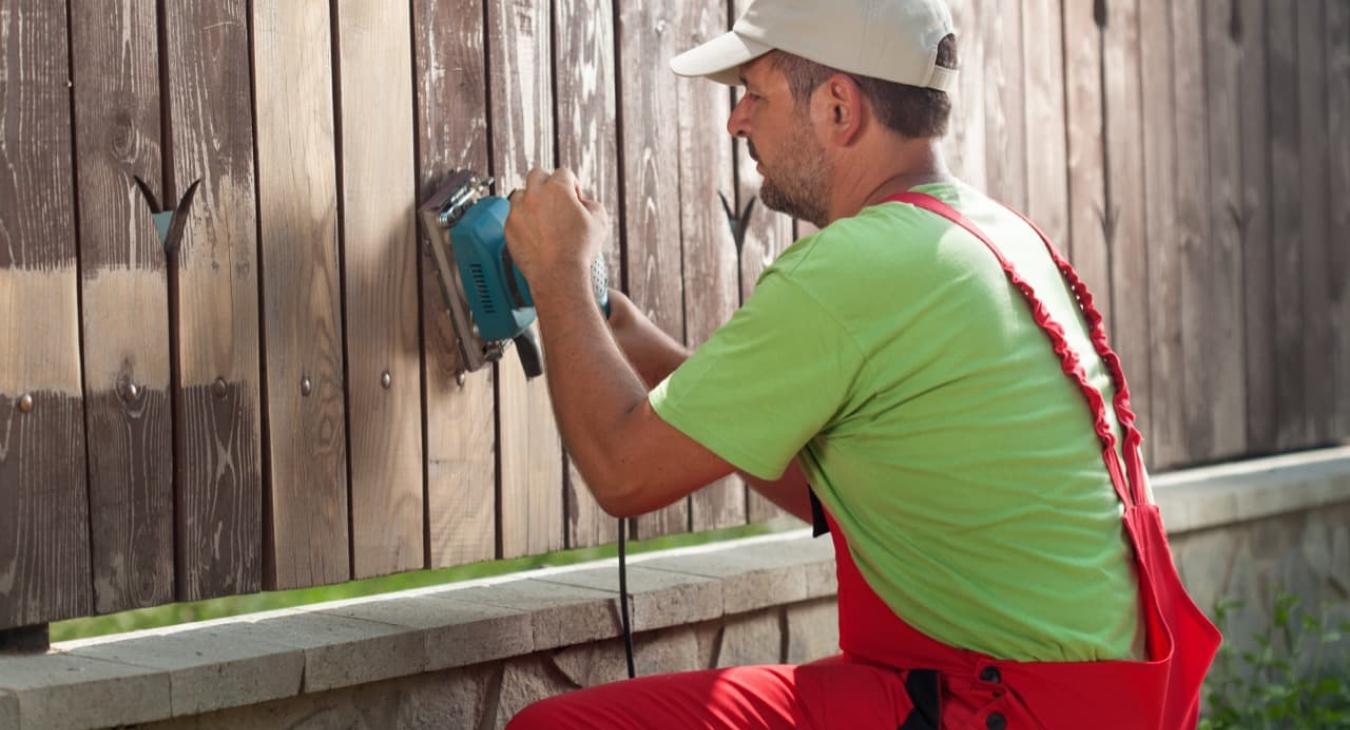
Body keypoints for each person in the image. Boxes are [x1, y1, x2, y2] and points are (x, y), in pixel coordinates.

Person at [501, 0, 1219, 727]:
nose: (736, 121)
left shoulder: (855, 267)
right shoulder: (997, 238)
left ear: (840, 107)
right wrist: (614, 327)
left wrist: (558, 271)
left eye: (755, 93)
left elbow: (623, 473)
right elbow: (826, 487)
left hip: (993, 705)